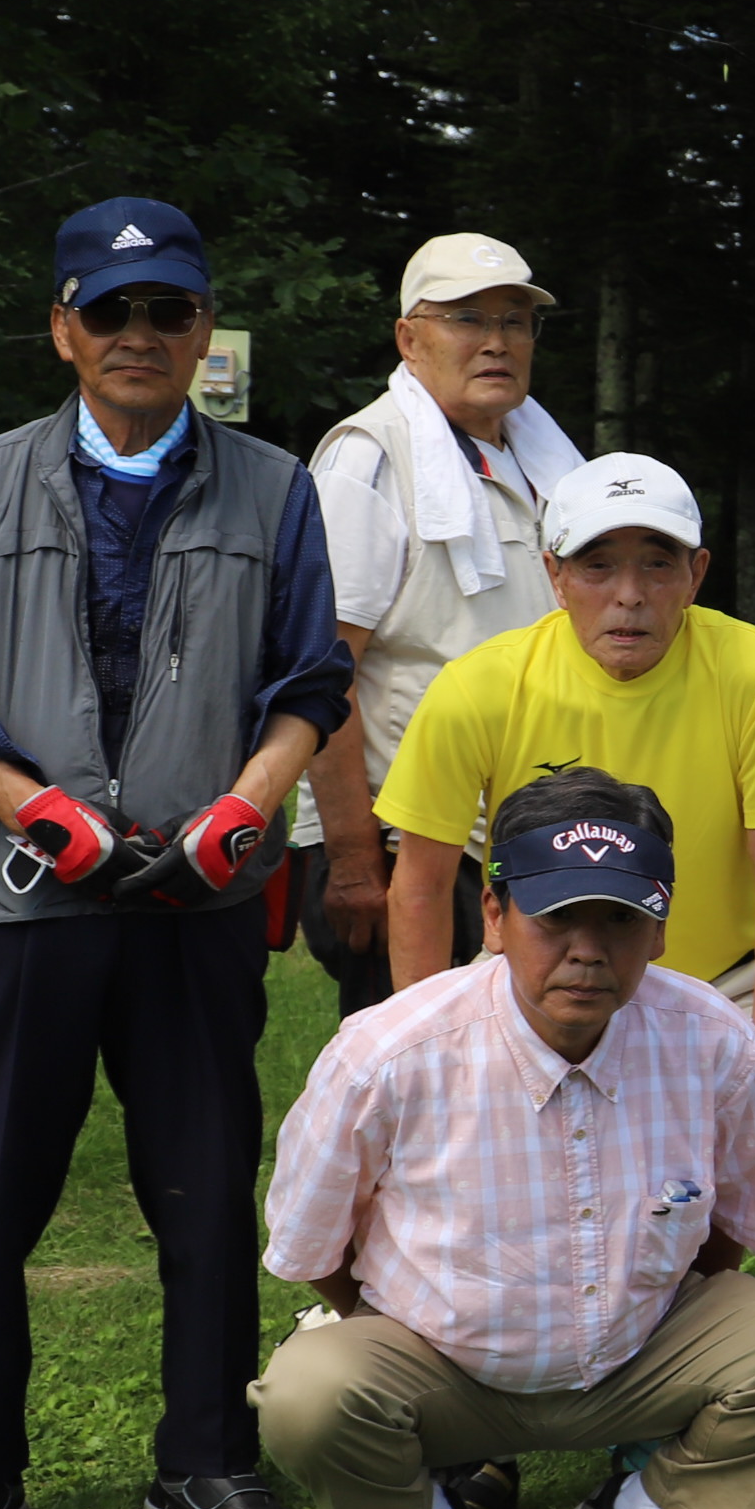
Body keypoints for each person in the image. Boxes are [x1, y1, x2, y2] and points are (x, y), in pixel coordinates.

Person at [0, 195, 354, 1509]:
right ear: (62, 329)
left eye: (168, 312)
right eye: (111, 310)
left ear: (205, 329)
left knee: (207, 1185)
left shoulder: (277, 488)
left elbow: (309, 681)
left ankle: (204, 1464)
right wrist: (36, 808)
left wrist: (245, 809)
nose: (139, 334)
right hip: (25, 898)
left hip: (194, 901)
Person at [254, 772, 755, 1509]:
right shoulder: (387, 1053)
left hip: (637, 1356)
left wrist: (649, 1326)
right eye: (556, 920)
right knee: (308, 1389)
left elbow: (730, 1231)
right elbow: (317, 1252)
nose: (587, 951)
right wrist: (421, 1337)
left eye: (618, 921)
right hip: (442, 1368)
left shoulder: (712, 1038)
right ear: (496, 916)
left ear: (658, 928)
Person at [373, 455, 755, 1338]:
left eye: (657, 563)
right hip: (530, 987)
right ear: (554, 574)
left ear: (697, 574)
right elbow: (419, 880)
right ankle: (483, 1431)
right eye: (598, 565)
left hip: (725, 988)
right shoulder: (478, 685)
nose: (628, 595)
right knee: (477, 1194)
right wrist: (421, 1050)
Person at [292, 232, 586, 1017]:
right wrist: (354, 860)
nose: (496, 341)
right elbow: (322, 671)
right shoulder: (371, 457)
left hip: (530, 833)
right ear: (408, 337)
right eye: (466, 318)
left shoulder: (548, 461)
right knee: (418, 1087)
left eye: (517, 321)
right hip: (410, 843)